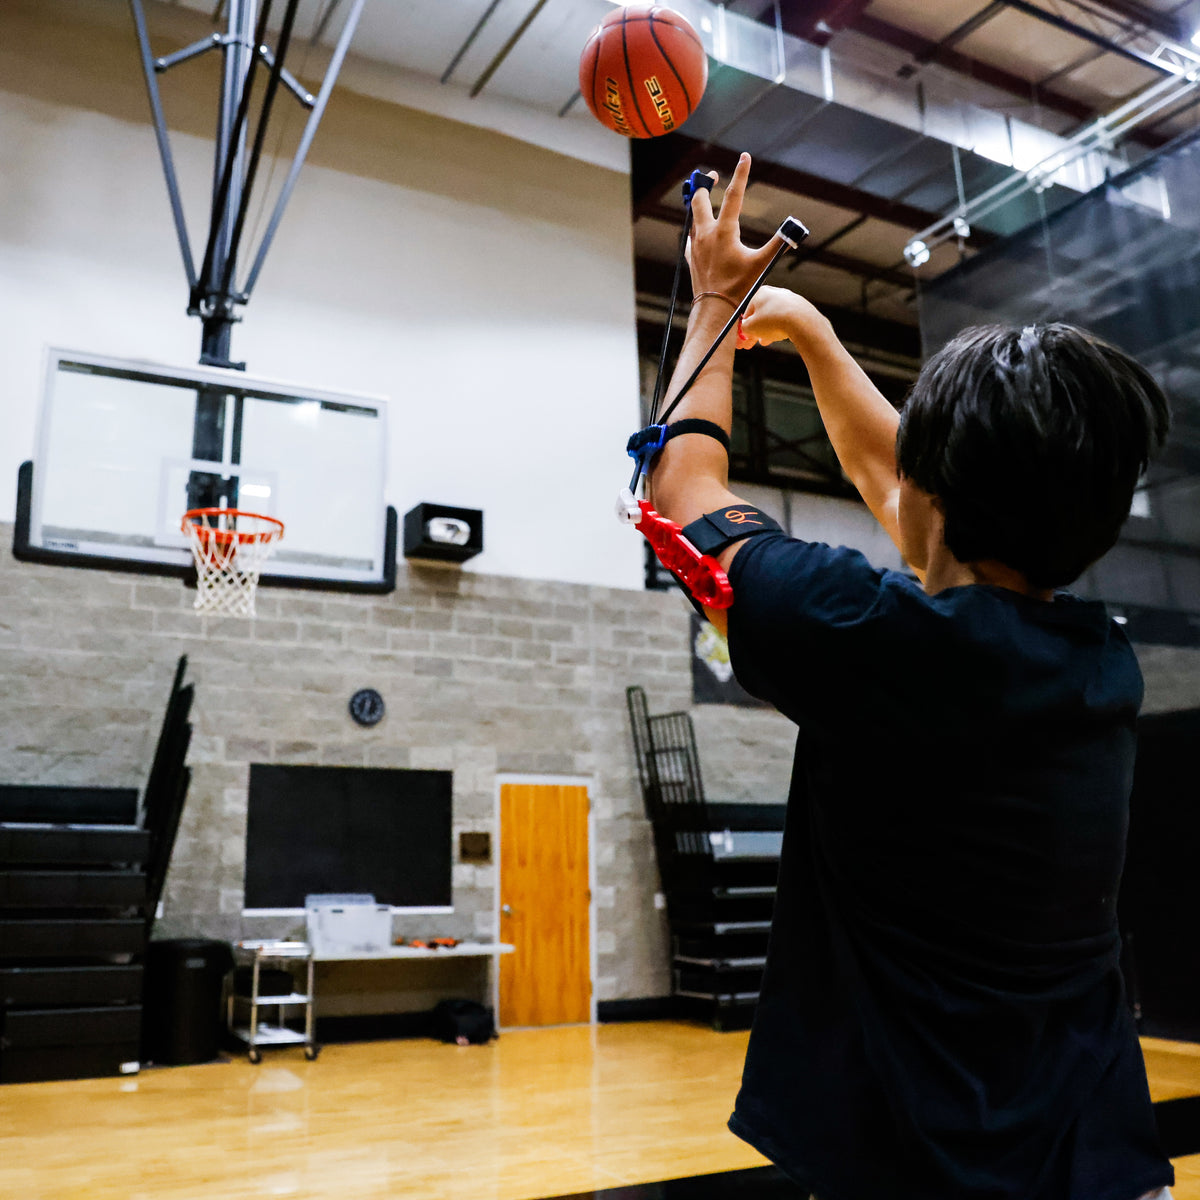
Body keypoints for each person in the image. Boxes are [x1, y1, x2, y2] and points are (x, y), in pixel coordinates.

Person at [646, 152, 1174, 1200]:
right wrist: (810, 331)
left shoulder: (870, 634)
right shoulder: (1098, 662)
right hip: (1101, 1162)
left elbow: (683, 481)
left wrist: (717, 297)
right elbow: (903, 482)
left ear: (937, 494)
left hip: (922, 1170)